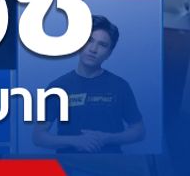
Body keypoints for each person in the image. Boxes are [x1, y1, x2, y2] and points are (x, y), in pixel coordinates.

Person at [33, 15, 145, 153]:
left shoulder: (120, 86)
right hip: (70, 163)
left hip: (111, 163)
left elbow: (139, 130)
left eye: (102, 45)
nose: (93, 49)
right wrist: (74, 141)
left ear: (109, 53)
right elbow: (38, 136)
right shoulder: (58, 87)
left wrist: (108, 138)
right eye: (89, 41)